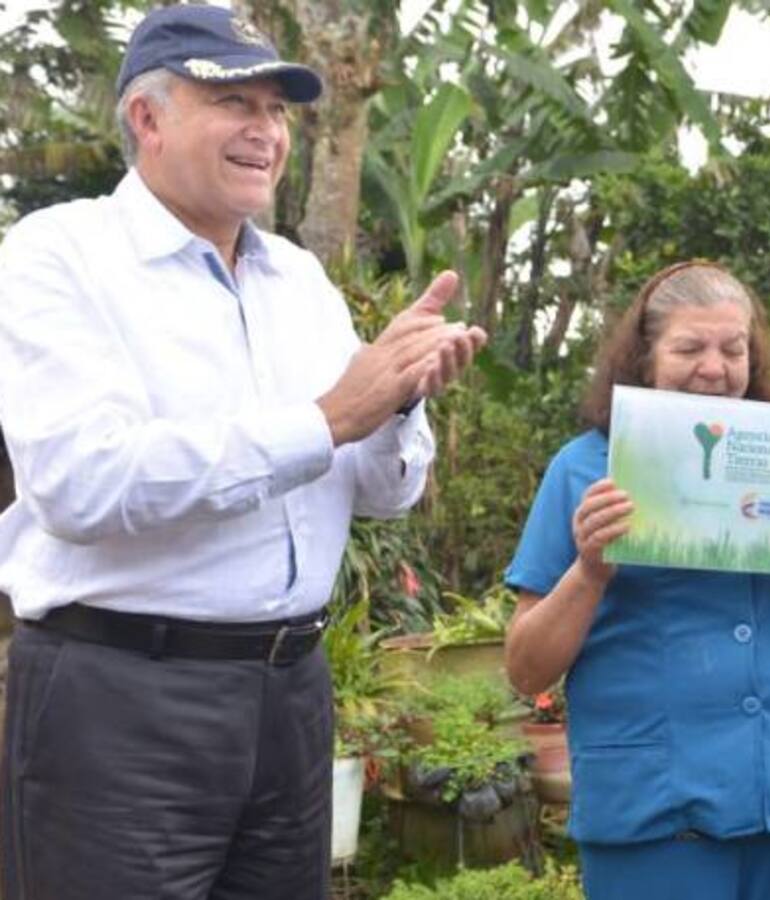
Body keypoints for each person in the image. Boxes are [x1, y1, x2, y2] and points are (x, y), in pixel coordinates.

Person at [0, 6, 486, 899]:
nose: (265, 132)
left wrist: (398, 398)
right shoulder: (56, 256)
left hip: (289, 697)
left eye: (278, 110)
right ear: (147, 119)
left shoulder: (299, 280)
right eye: (235, 103)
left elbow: (377, 495)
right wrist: (335, 414)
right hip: (120, 699)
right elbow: (81, 482)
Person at [504, 260, 770, 900]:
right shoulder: (585, 470)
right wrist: (590, 572)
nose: (715, 368)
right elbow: (525, 670)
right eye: (689, 348)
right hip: (654, 809)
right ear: (644, 359)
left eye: (733, 349)